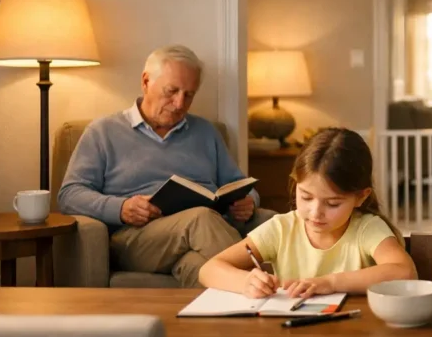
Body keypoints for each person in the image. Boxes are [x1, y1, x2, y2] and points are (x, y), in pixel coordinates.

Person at [58, 45, 274, 287]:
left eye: (189, 94)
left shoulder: (205, 132)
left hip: (204, 235)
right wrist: (121, 207)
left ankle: (236, 319)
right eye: (171, 91)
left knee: (199, 266)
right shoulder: (103, 132)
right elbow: (69, 195)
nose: (180, 103)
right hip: (136, 239)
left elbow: (241, 185)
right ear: (146, 81)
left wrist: (248, 201)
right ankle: (272, 286)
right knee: (199, 219)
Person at [199, 127, 416, 299]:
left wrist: (330, 283)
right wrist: (245, 282)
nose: (315, 213)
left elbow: (405, 273)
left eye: (332, 204)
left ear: (361, 197)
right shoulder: (281, 228)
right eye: (306, 197)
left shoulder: (367, 228)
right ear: (296, 185)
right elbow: (209, 269)